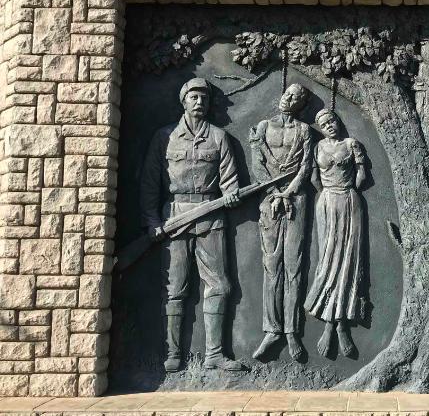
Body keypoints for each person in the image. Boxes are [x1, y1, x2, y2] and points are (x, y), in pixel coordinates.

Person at [141, 77, 243, 372]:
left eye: (204, 98)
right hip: (175, 219)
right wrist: (152, 221)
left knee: (220, 285)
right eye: (194, 97)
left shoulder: (219, 137)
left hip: (211, 217)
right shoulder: (165, 137)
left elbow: (229, 181)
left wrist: (232, 194)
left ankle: (214, 354)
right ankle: (173, 353)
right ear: (183, 101)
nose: (200, 102)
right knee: (175, 287)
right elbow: (150, 184)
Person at [249, 83, 313, 362]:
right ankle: (272, 330)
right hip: (269, 202)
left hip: (296, 202)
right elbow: (257, 164)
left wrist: (287, 193)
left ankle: (291, 330)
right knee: (271, 267)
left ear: (300, 104)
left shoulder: (304, 131)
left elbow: (306, 166)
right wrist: (274, 193)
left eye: (295, 98)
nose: (288, 99)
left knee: (294, 267)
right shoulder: (263, 128)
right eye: (286, 94)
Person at [304, 109, 368, 358]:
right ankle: (328, 324)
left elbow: (362, 177)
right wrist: (328, 193)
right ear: (319, 127)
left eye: (331, 120)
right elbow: (313, 178)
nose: (329, 125)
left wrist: (349, 186)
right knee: (328, 260)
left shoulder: (352, 145)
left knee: (348, 264)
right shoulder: (318, 147)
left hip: (350, 203)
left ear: (338, 121)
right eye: (323, 123)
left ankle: (341, 325)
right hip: (328, 203)